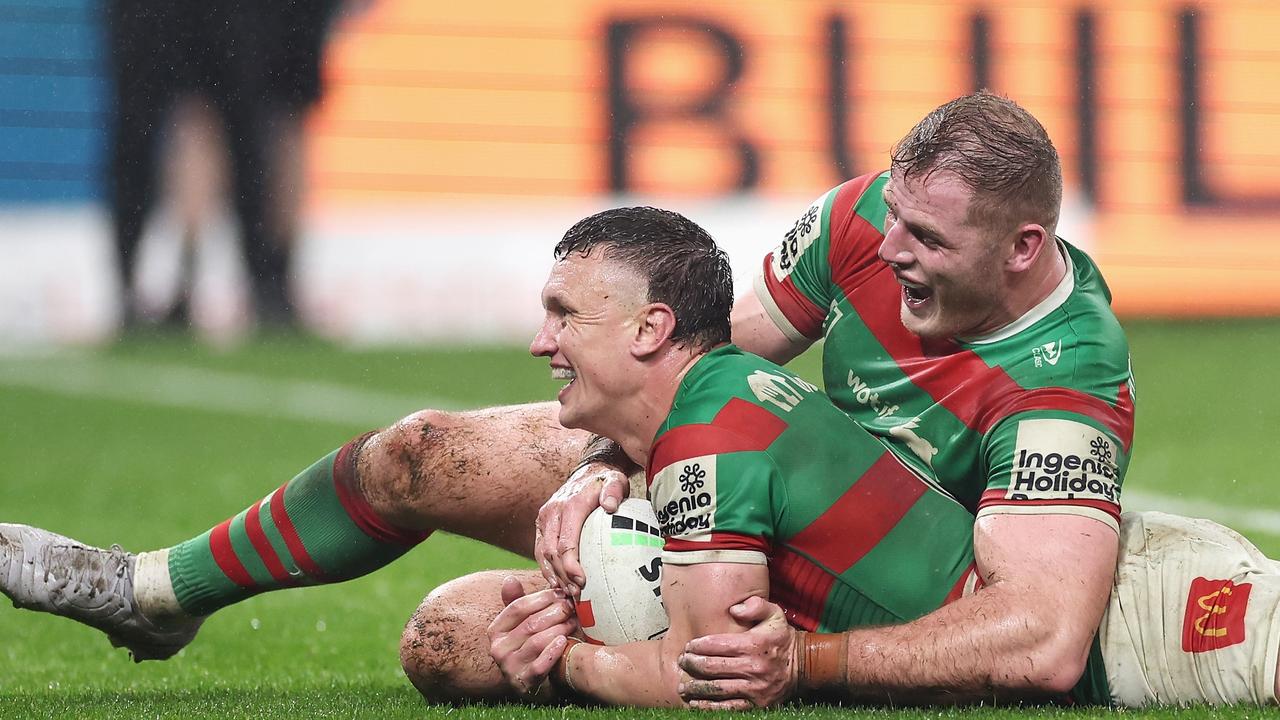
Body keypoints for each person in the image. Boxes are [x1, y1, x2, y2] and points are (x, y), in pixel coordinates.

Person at [0, 92, 1129, 698]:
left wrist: (806, 662)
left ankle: (609, 637)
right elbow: (702, 354)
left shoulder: (1066, 375)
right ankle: (153, 592)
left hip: (852, 572)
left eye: (926, 238)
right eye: (890, 218)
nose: (894, 251)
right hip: (743, 481)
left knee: (447, 643)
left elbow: (1035, 640)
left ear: (1023, 248)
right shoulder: (862, 227)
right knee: (423, 451)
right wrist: (600, 465)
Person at [446, 211, 1280, 708]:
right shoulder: (728, 382)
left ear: (653, 329)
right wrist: (599, 460)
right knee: (439, 633)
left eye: (562, 315)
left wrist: (570, 664)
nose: (538, 342)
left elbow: (705, 678)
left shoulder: (707, 439)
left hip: (1140, 620)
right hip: (1109, 576)